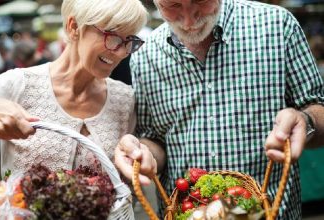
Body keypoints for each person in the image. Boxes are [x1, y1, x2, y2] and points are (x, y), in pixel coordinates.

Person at [114, 0, 324, 219]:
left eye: (200, 1)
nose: (188, 21)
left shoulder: (278, 27)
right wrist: (142, 152)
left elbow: (318, 108)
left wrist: (306, 121)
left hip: (273, 212)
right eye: (172, 5)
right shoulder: (145, 57)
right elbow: (153, 138)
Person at [0, 0, 148, 177]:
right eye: (112, 37)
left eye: (129, 41)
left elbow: (142, 161)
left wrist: (140, 154)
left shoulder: (125, 99)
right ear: (74, 27)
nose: (121, 53)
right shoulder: (18, 85)